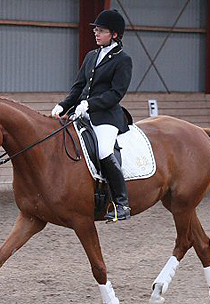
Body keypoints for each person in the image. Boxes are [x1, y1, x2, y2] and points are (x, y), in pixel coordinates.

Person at [51, 9, 132, 221]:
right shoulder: (91, 56)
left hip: (107, 117)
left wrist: (89, 104)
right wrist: (63, 105)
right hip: (82, 114)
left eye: (101, 30)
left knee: (105, 151)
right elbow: (78, 87)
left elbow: (116, 93)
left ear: (114, 34)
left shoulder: (123, 60)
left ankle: (122, 203)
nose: (96, 34)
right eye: (96, 30)